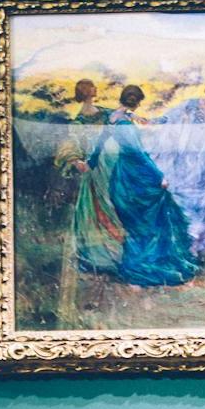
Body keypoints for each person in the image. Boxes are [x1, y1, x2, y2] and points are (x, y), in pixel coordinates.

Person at [89, 85, 200, 286]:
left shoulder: (113, 118)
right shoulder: (125, 125)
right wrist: (160, 176)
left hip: (123, 176)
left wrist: (91, 161)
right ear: (137, 101)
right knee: (148, 222)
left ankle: (138, 264)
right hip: (136, 178)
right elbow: (139, 154)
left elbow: (100, 142)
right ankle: (141, 268)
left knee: (138, 224)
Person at [146, 81, 205, 258]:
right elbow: (170, 116)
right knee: (177, 193)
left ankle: (191, 242)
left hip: (202, 159)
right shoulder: (191, 103)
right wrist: (153, 121)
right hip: (183, 155)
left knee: (197, 200)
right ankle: (174, 239)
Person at [52, 78, 125, 281]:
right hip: (94, 168)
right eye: (91, 87)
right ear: (86, 92)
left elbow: (122, 119)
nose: (95, 88)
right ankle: (99, 257)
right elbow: (70, 145)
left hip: (112, 164)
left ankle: (118, 255)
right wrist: (77, 162)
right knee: (96, 206)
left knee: (115, 204)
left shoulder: (104, 112)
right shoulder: (78, 121)